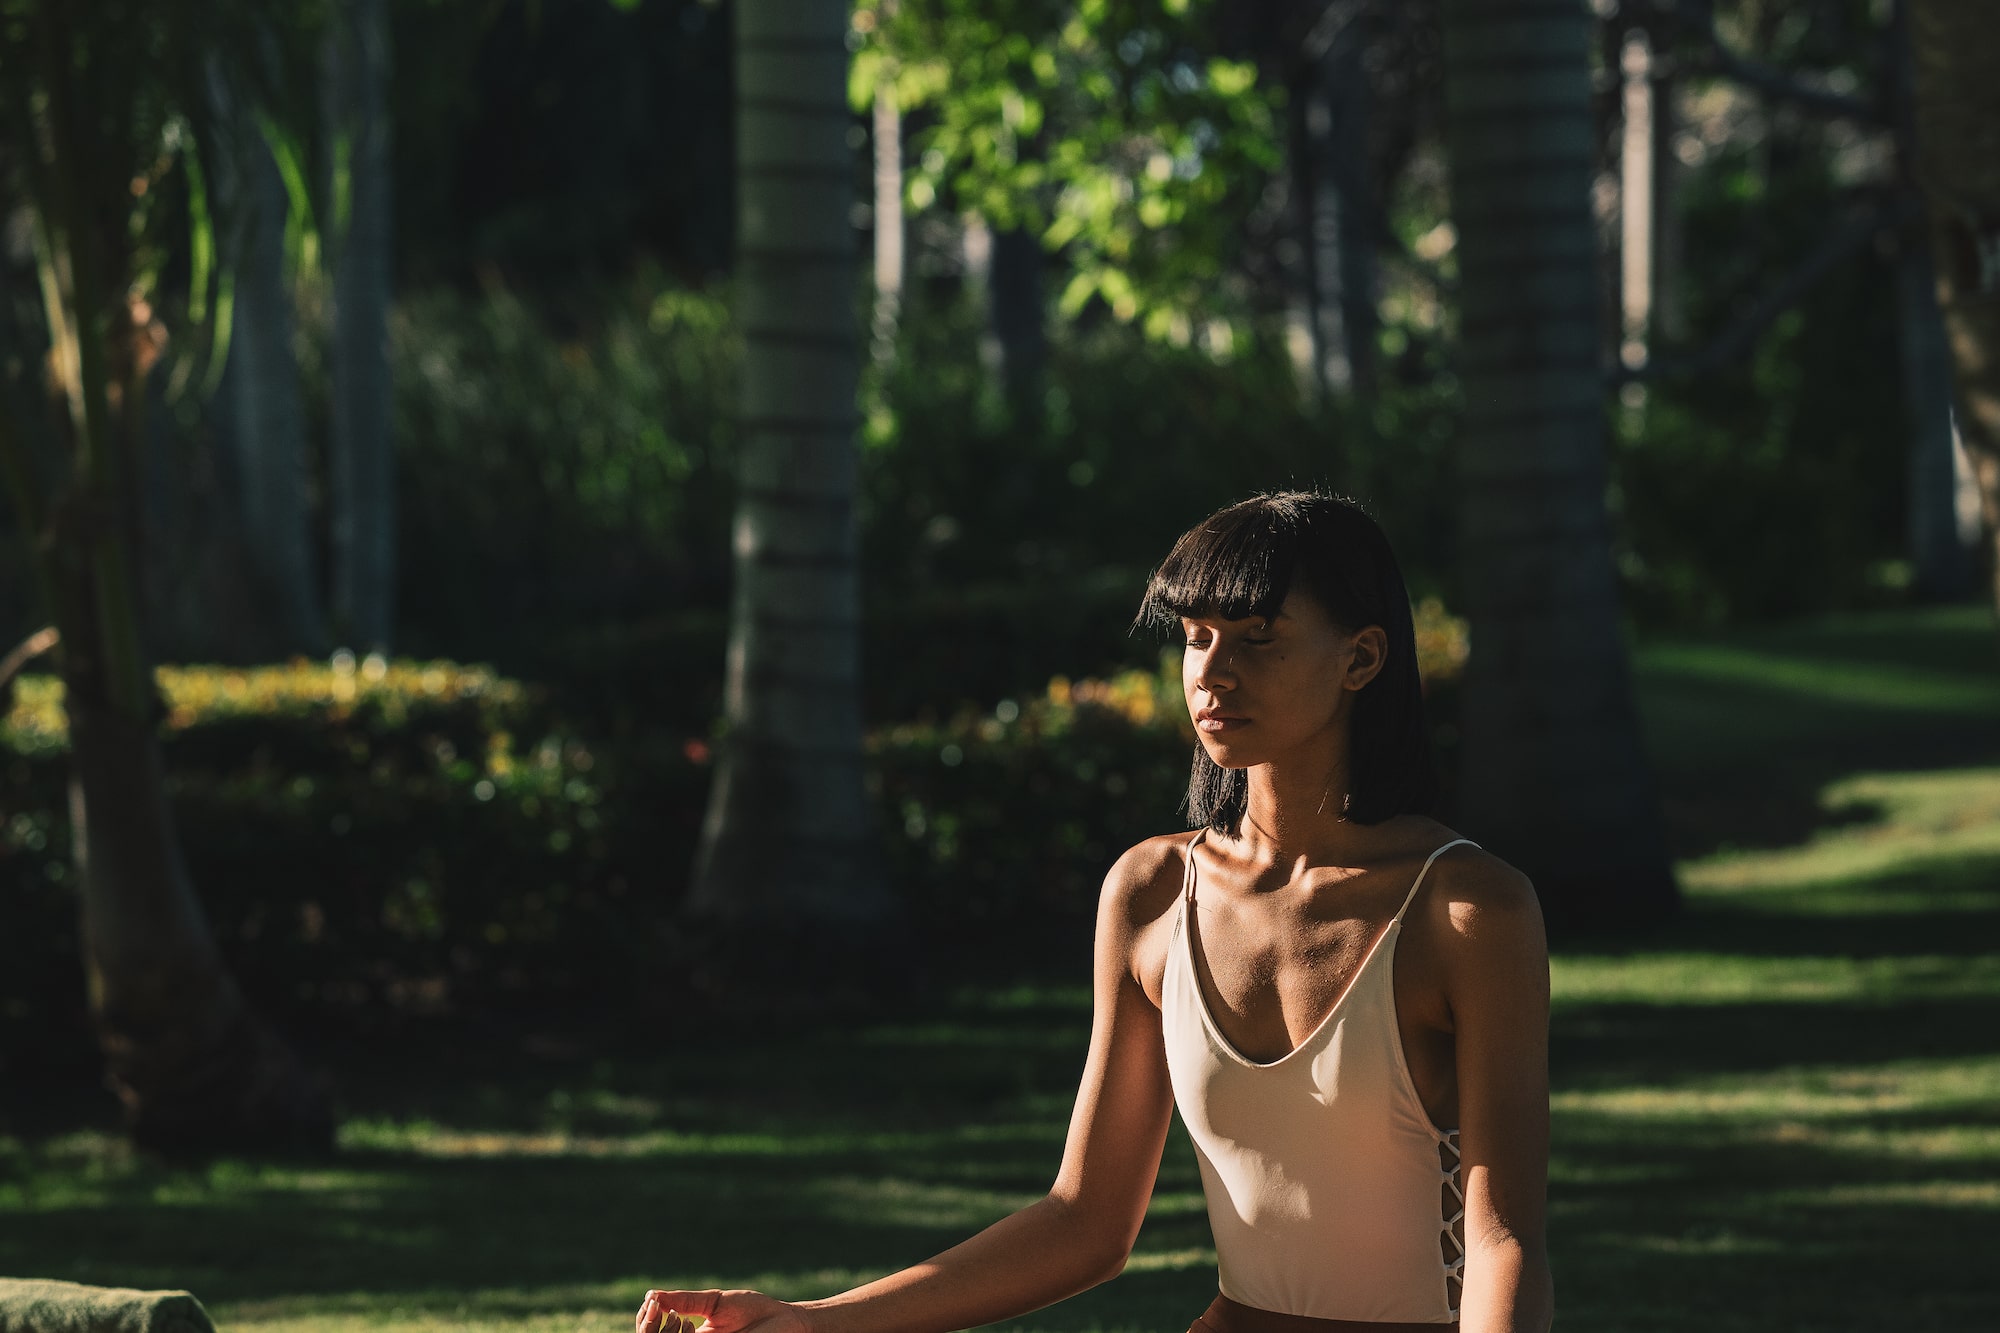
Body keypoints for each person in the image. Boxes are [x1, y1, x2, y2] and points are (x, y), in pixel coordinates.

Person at [639, 491, 1553, 1333]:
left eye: (1258, 638)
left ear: (1361, 657)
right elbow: (1085, 1219)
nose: (1213, 671)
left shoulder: (1469, 911)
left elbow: (1503, 1240)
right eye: (1196, 637)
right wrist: (816, 1320)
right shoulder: (1151, 893)